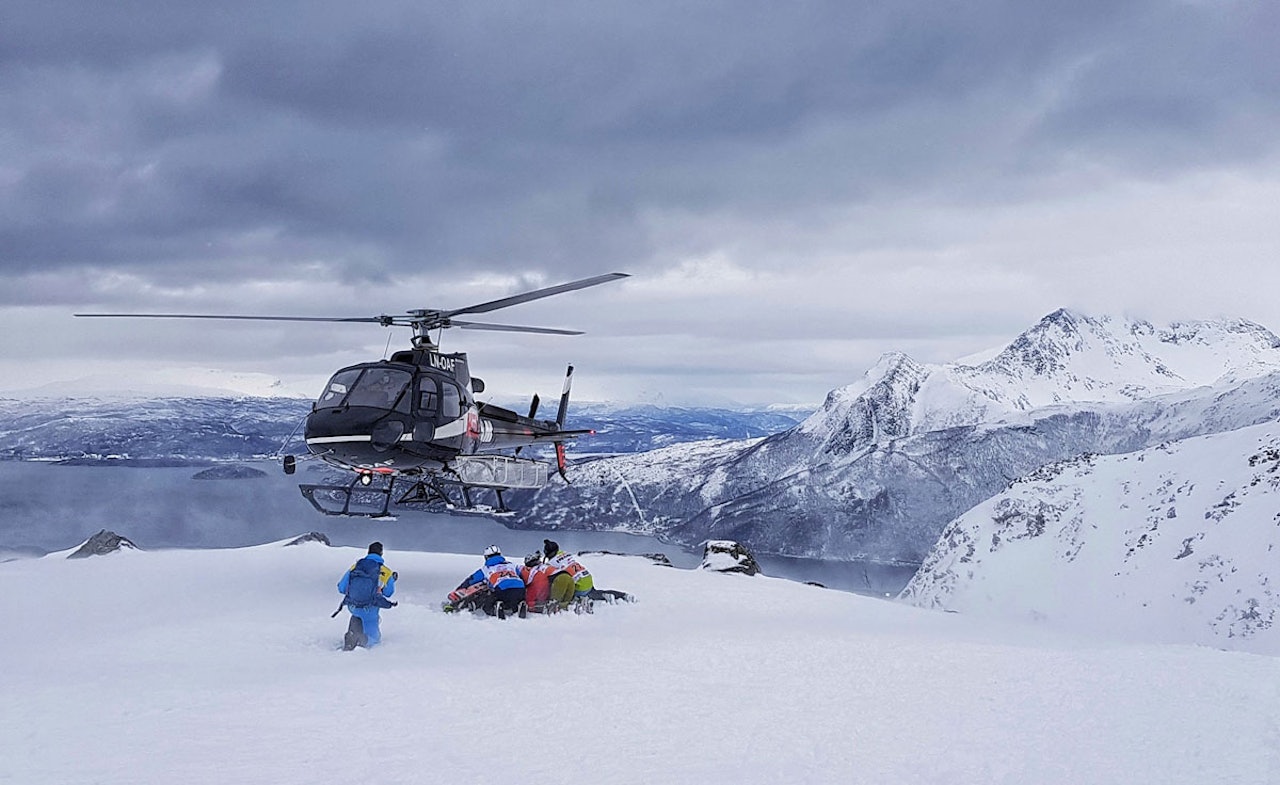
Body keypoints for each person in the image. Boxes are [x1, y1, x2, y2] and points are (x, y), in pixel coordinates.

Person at [337, 542, 397, 650]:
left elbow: (342, 588)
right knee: (374, 638)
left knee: (357, 617)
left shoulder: (355, 567)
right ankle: (361, 640)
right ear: (381, 553)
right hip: (370, 608)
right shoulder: (385, 571)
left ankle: (353, 634)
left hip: (353, 606)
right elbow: (389, 593)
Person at [454, 545, 526, 618]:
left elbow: (470, 580)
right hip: (520, 588)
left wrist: (459, 589)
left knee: (487, 603)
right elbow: (523, 575)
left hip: (502, 589)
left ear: (486, 557)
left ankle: (496, 608)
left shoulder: (485, 569)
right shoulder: (512, 565)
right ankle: (518, 606)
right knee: (513, 600)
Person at [542, 539, 594, 609]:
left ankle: (576, 601)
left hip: (579, 588)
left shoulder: (552, 563)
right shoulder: (564, 553)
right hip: (588, 580)